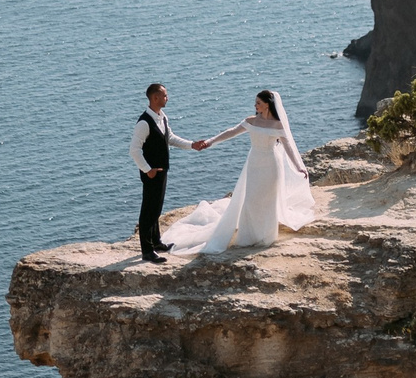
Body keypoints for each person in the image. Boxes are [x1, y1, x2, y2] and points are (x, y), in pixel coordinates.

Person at [162, 89, 313, 259]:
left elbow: (289, 147)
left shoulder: (278, 125)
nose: (255, 105)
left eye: (258, 103)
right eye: (255, 102)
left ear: (267, 105)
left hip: (272, 165)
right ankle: (249, 236)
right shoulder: (251, 121)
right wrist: (211, 141)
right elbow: (231, 132)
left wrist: (298, 166)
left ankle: (266, 236)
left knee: (268, 199)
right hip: (254, 163)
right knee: (251, 198)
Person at [130, 83, 207, 262]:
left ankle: (156, 242)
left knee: (156, 208)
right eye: (164, 95)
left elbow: (170, 138)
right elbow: (134, 150)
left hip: (161, 171)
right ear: (155, 98)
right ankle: (147, 250)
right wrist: (147, 170)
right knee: (148, 210)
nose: (167, 98)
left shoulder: (161, 117)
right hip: (151, 173)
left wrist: (192, 145)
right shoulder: (144, 122)